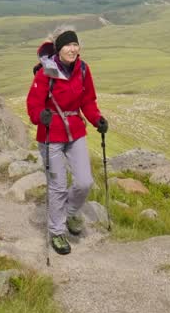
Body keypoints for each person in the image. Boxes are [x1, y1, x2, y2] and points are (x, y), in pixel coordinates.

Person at [26, 26, 108, 255]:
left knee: (84, 182)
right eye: (67, 45)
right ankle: (57, 231)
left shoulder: (82, 69)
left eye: (75, 44)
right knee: (58, 186)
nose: (72, 49)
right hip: (51, 134)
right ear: (58, 48)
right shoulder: (46, 73)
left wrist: (97, 119)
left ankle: (71, 212)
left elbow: (88, 101)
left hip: (75, 131)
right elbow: (34, 104)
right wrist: (39, 116)